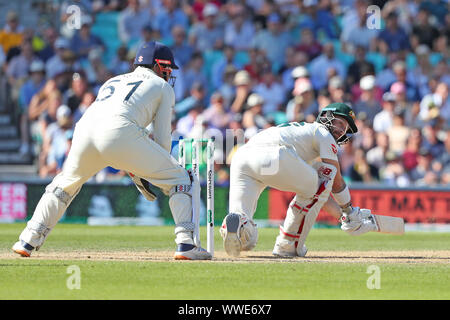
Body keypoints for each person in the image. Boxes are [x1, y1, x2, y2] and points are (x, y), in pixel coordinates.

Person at [12, 41, 211, 261]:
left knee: (64, 184)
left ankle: (28, 239)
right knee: (181, 178)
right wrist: (155, 170)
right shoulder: (162, 86)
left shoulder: (113, 79)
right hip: (119, 131)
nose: (169, 74)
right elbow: (163, 138)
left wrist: (138, 164)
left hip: (84, 129)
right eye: (168, 69)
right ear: (157, 65)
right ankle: (185, 244)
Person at [220, 103, 377, 258]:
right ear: (326, 116)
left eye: (345, 129)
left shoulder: (303, 137)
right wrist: (349, 210)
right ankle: (288, 243)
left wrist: (343, 218)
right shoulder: (322, 132)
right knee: (323, 177)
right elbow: (335, 181)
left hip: (242, 157)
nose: (342, 130)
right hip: (274, 156)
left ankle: (236, 224)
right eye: (340, 123)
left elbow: (320, 193)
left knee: (247, 235)